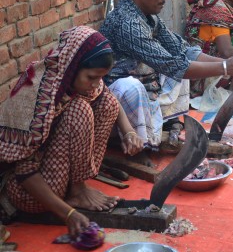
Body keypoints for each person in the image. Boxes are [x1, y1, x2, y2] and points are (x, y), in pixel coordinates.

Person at [99, 0, 233, 163]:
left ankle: (169, 123)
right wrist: (225, 67)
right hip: (115, 94)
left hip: (145, 80)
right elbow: (172, 65)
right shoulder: (128, 23)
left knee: (183, 65)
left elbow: (183, 50)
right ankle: (140, 146)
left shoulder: (149, 17)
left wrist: (226, 66)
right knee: (140, 84)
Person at [0, 26, 143, 238]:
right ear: (72, 66)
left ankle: (79, 188)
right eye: (91, 77)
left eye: (99, 77)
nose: (95, 84)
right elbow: (24, 173)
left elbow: (105, 93)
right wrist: (68, 214)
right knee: (80, 109)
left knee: (107, 103)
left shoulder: (74, 78)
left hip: (56, 177)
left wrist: (129, 131)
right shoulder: (36, 97)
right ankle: (77, 192)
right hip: (25, 192)